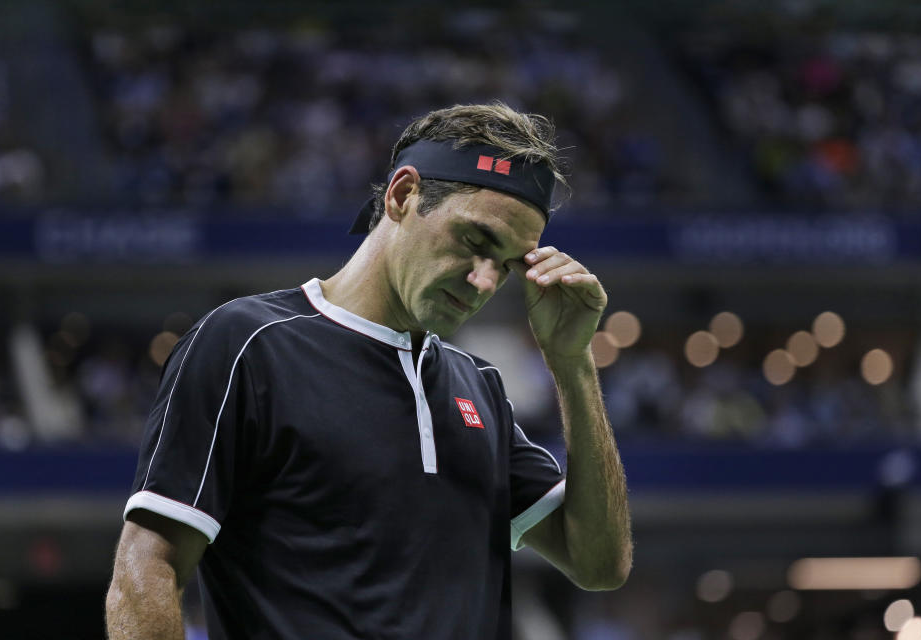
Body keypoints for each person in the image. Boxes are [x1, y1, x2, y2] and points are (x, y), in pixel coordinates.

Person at [105, 102, 632, 640]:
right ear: (402, 196)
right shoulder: (246, 344)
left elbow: (599, 565)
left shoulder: (478, 385)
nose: (484, 281)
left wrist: (573, 365)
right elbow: (147, 568)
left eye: (507, 264)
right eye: (475, 241)